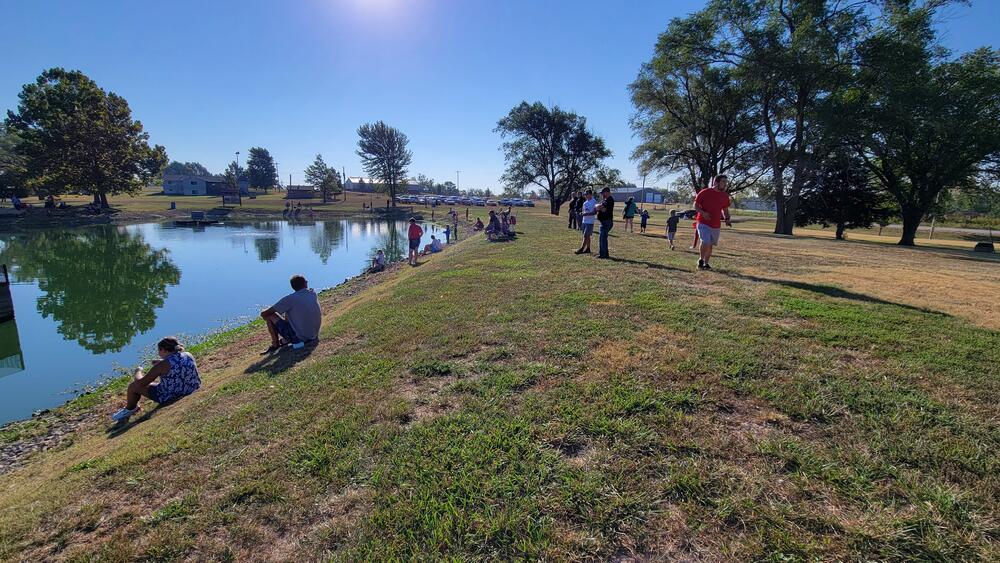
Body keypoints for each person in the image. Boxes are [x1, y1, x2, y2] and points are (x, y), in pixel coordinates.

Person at [110, 337, 200, 422]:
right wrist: (161, 362)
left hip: (172, 395)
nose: (158, 353)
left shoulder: (162, 365)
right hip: (192, 386)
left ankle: (130, 409)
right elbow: (178, 364)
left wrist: (138, 371)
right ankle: (132, 408)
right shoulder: (188, 354)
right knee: (156, 382)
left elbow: (140, 382)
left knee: (133, 386)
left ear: (163, 350)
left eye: (159, 350)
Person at [260, 274, 323, 353]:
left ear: (293, 287)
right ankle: (285, 340)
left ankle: (275, 345)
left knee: (269, 316)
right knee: (289, 311)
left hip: (301, 338)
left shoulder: (290, 299)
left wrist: (264, 312)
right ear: (305, 283)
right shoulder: (312, 293)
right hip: (313, 334)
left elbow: (264, 314)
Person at [693, 175, 732, 270]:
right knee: (705, 241)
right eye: (723, 182)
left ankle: (706, 263)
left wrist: (727, 218)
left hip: (715, 225)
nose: (725, 184)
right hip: (703, 222)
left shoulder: (725, 196)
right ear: (716, 182)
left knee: (710, 245)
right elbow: (695, 205)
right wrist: (703, 213)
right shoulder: (705, 192)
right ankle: (701, 260)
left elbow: (725, 209)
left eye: (726, 182)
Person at [575, 189, 597, 254]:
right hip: (584, 221)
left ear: (590, 194)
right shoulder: (585, 203)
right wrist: (582, 213)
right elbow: (584, 211)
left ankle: (581, 249)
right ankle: (588, 249)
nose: (585, 195)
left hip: (590, 222)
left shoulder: (594, 202)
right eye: (585, 194)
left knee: (585, 235)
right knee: (587, 236)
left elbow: (594, 212)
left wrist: (586, 214)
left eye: (586, 194)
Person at [596, 187, 615, 258]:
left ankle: (603, 254)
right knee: (603, 238)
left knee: (602, 238)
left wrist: (600, 207)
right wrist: (599, 207)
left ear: (607, 192)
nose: (602, 194)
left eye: (603, 193)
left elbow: (603, 209)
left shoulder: (610, 200)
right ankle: (605, 254)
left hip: (606, 221)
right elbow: (598, 207)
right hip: (603, 221)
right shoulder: (605, 200)